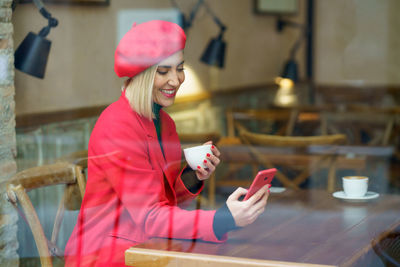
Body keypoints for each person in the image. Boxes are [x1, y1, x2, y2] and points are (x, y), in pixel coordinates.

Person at [64, 20, 270, 267]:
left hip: (151, 247)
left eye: (179, 68)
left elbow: (164, 199)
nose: (176, 79)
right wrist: (222, 220)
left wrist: (194, 175)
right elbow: (151, 216)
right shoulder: (116, 125)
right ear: (142, 74)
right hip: (109, 255)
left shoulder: (165, 123)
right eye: (164, 71)